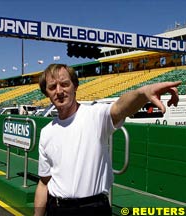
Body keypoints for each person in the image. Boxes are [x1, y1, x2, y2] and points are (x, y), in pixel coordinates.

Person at [34, 64, 181, 216]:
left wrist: (143, 93)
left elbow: (120, 107)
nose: (59, 91)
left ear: (75, 86)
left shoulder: (95, 115)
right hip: (57, 209)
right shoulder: (46, 132)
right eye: (52, 87)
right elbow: (44, 182)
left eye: (65, 84)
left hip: (93, 209)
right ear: (47, 93)